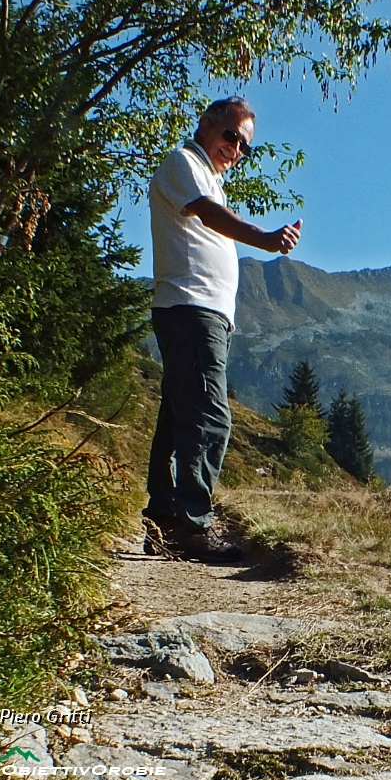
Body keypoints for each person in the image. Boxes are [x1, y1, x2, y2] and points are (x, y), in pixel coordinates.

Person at [142, 96, 302, 562]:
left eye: (243, 146)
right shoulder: (183, 162)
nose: (234, 149)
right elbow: (208, 215)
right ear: (206, 125)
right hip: (191, 309)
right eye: (230, 136)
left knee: (178, 418)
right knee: (211, 417)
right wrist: (266, 239)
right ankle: (191, 527)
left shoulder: (208, 176)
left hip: (198, 311)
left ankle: (165, 522)